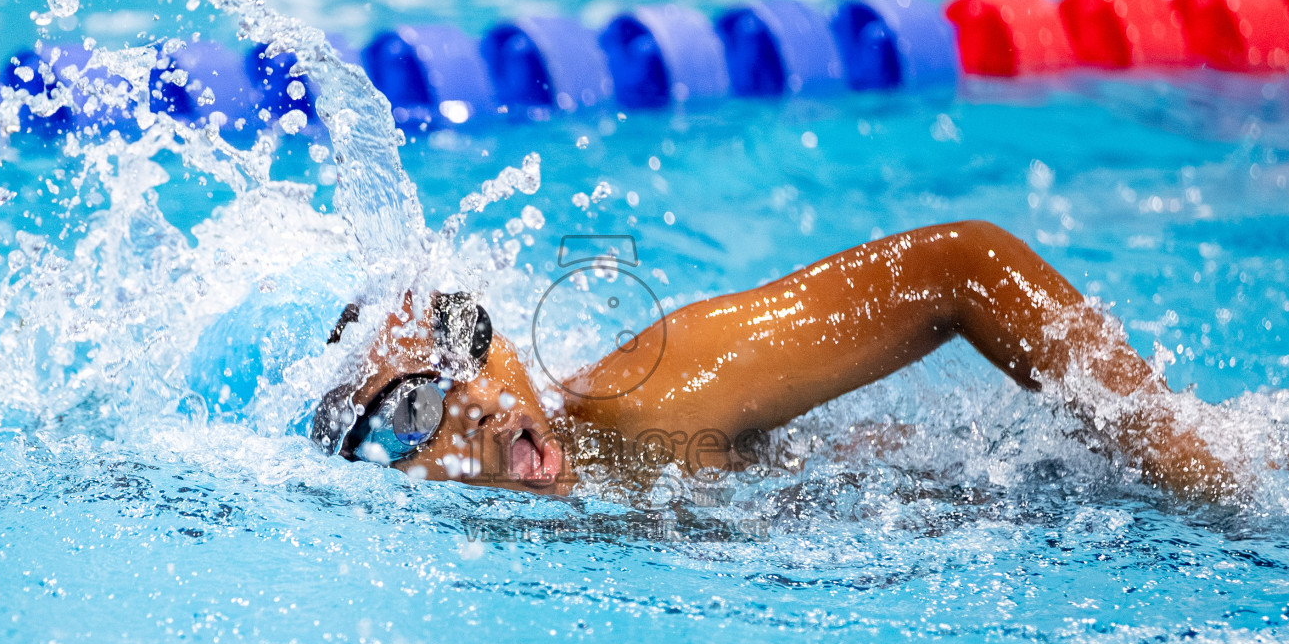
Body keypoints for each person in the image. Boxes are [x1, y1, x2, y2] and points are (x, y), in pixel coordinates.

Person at [310, 220, 1237, 501]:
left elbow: (965, 268)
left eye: (470, 348)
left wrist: (1190, 467)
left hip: (1074, 502)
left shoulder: (652, 399)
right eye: (413, 413)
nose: (472, 399)